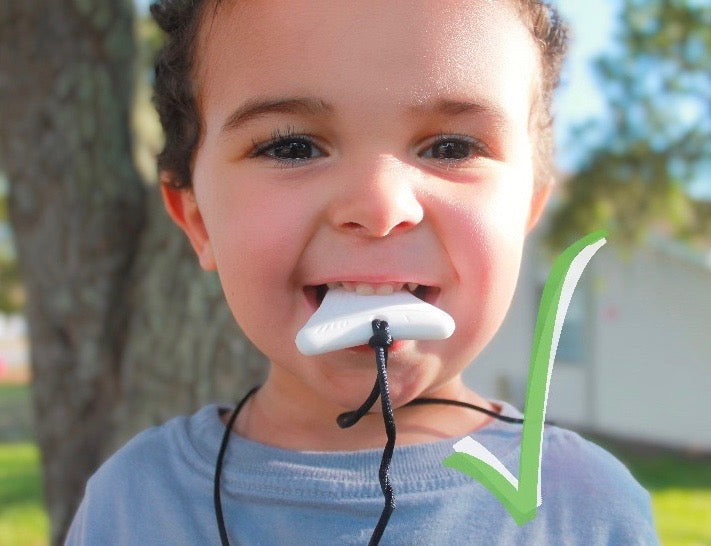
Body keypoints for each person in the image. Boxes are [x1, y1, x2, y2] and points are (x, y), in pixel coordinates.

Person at [65, 0, 658, 544]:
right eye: (292, 147)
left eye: (451, 147)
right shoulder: (131, 505)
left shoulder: (588, 511)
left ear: (527, 211)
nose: (379, 208)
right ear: (198, 220)